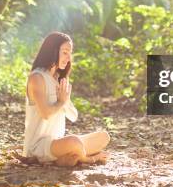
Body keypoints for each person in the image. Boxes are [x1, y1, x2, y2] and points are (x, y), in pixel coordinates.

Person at [23, 32, 110, 166]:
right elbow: (45, 114)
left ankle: (65, 157)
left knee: (103, 137)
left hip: (57, 142)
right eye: (65, 52)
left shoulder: (58, 79)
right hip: (38, 146)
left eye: (70, 53)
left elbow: (72, 116)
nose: (69, 58)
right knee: (74, 142)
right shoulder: (37, 78)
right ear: (52, 51)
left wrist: (64, 100)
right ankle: (86, 158)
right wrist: (61, 101)